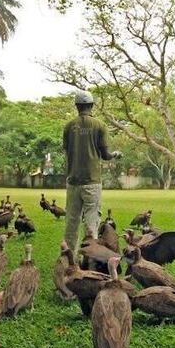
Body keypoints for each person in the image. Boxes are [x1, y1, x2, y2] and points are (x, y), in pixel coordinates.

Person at [62, 90, 121, 252]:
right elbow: (106, 155)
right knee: (91, 223)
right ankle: (90, 259)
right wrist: (115, 154)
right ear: (91, 105)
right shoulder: (99, 126)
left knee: (71, 222)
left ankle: (68, 260)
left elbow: (67, 152)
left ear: (77, 106)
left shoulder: (68, 127)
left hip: (73, 182)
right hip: (92, 183)